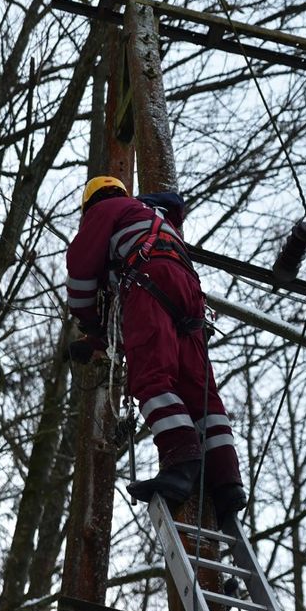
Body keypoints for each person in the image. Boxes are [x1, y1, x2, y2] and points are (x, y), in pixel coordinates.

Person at [65, 175, 247, 522]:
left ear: (90, 202)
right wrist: (100, 340)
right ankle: (226, 480)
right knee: (199, 389)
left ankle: (181, 461)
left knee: (151, 376)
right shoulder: (156, 214)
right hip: (189, 291)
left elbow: (80, 272)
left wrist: (88, 322)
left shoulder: (104, 211)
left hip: (149, 280)